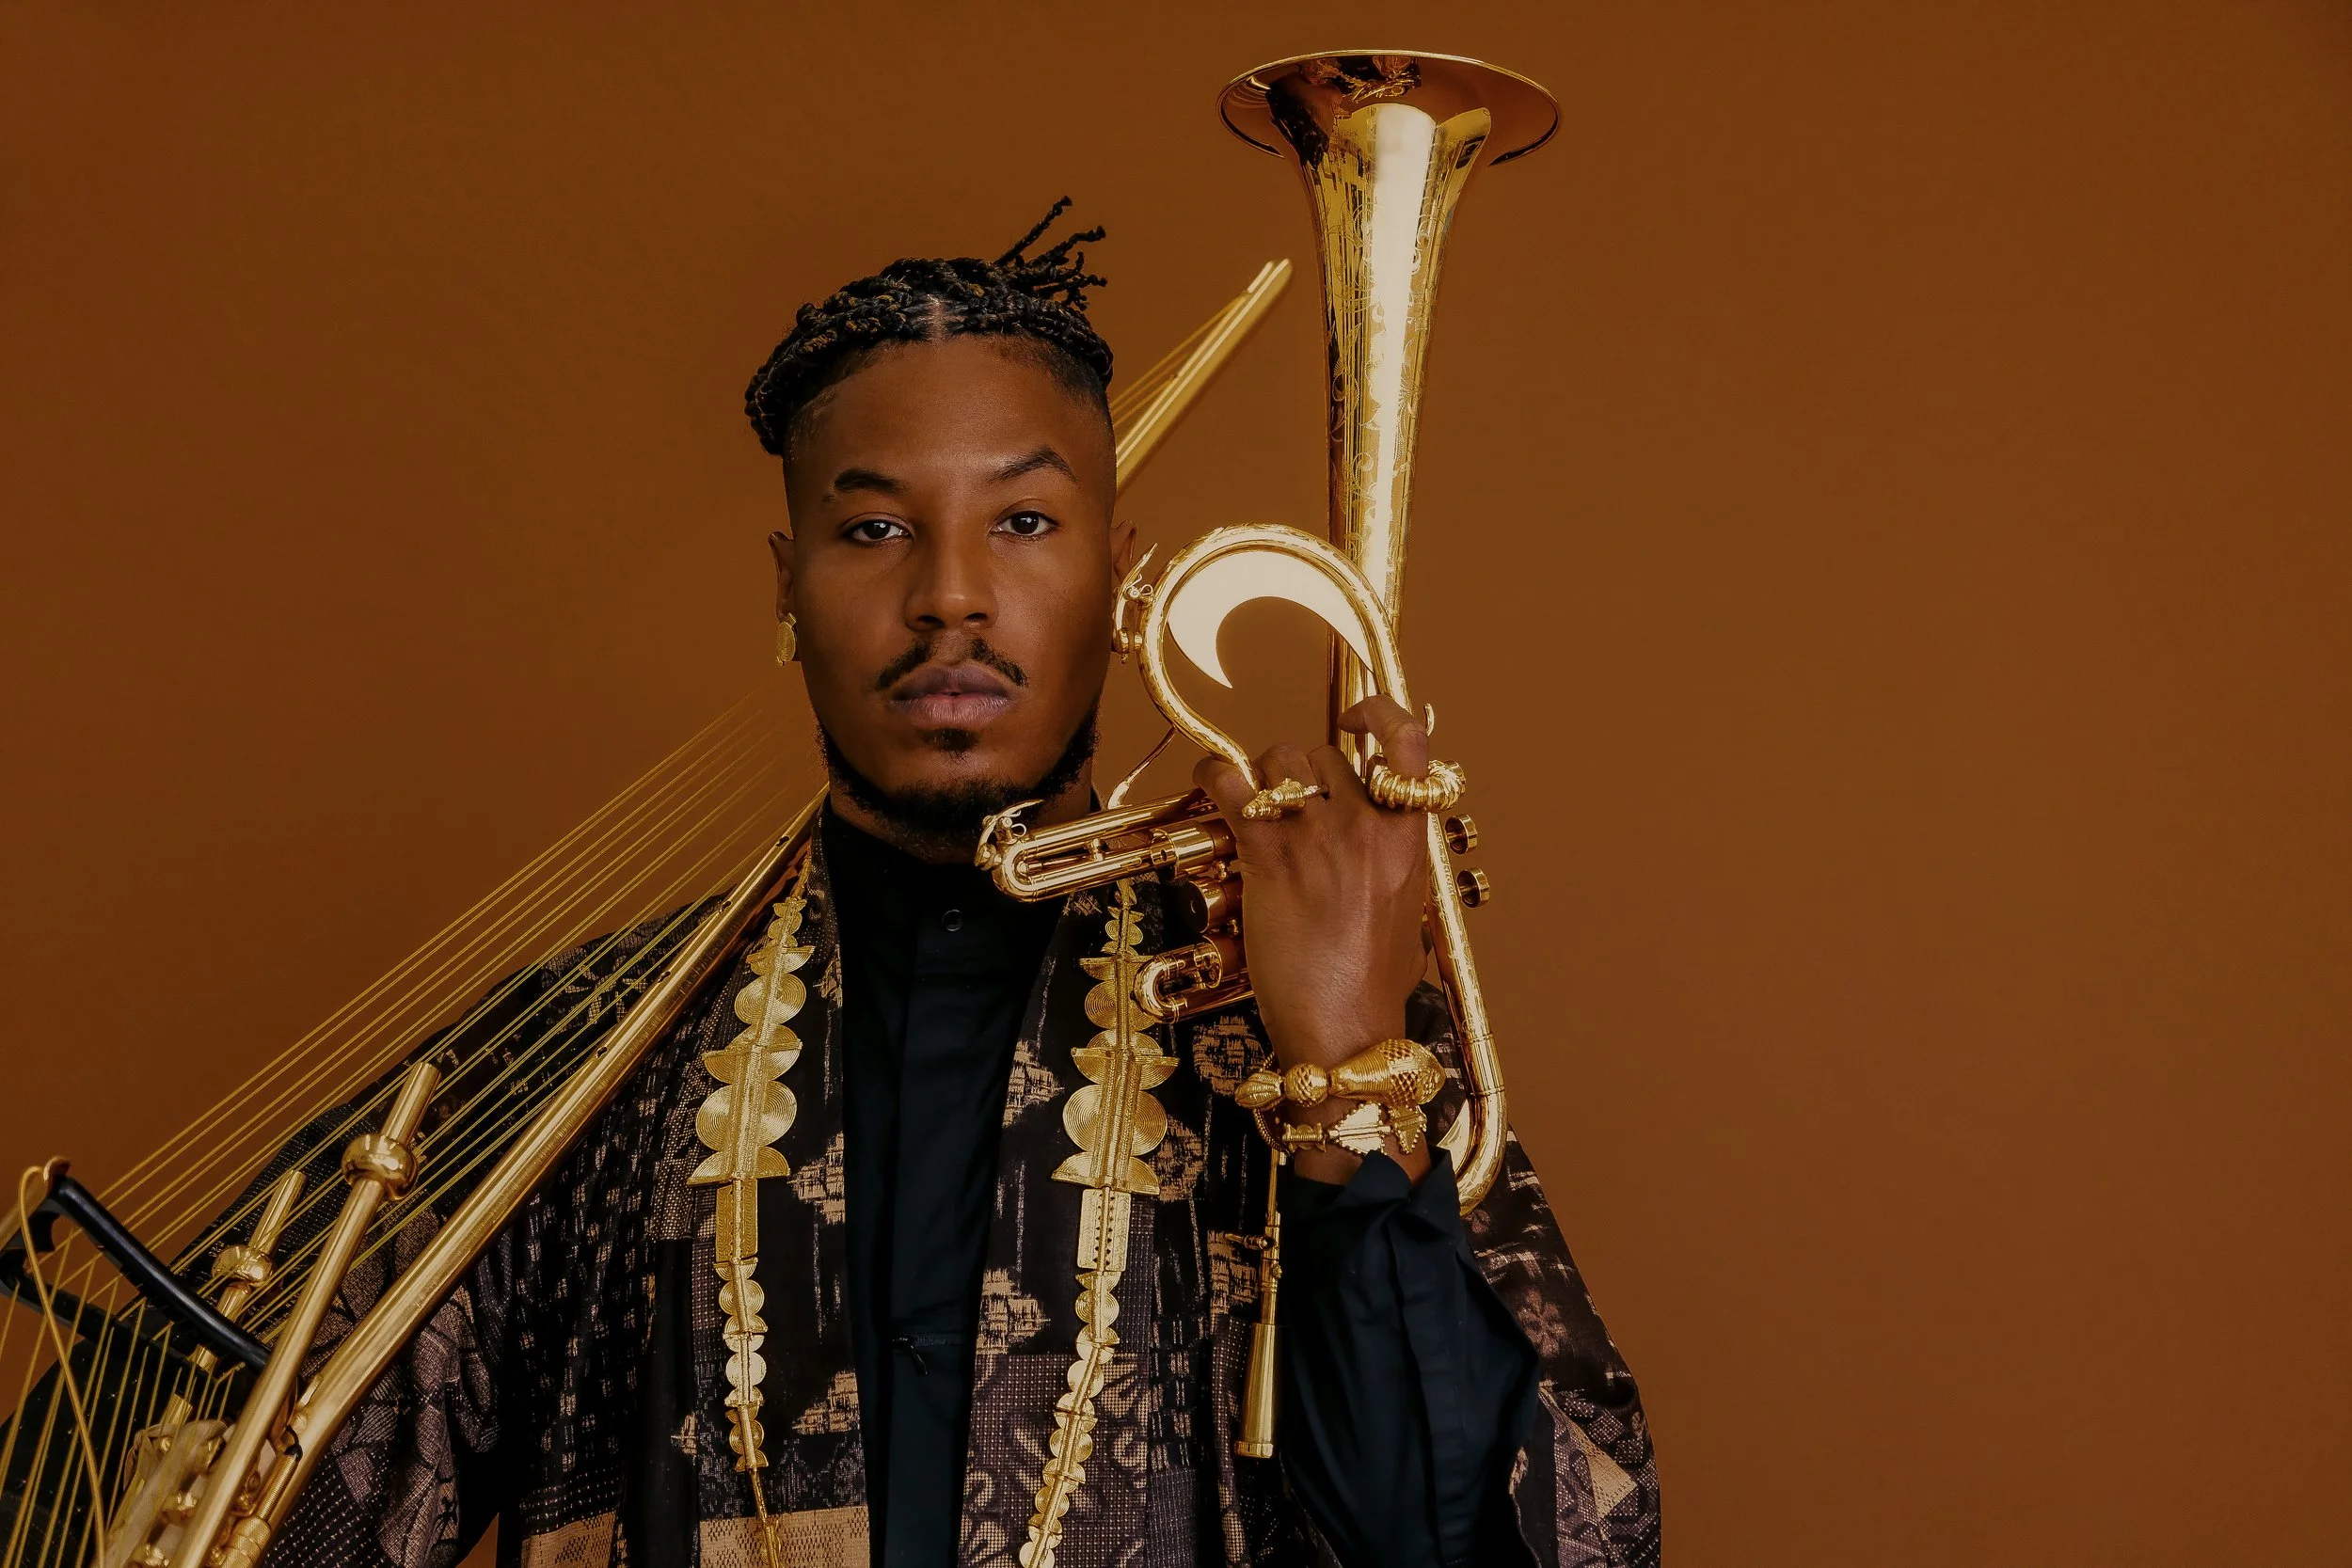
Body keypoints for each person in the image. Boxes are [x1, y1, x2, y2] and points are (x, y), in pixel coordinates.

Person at [250, 206, 1660, 1568]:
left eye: (1026, 520)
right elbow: (263, 1489)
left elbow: (1511, 1541)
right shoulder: (588, 1065)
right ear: (785, 586)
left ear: (1123, 577)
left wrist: (1345, 1075)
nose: (951, 597)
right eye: (874, 530)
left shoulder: (1303, 1031)